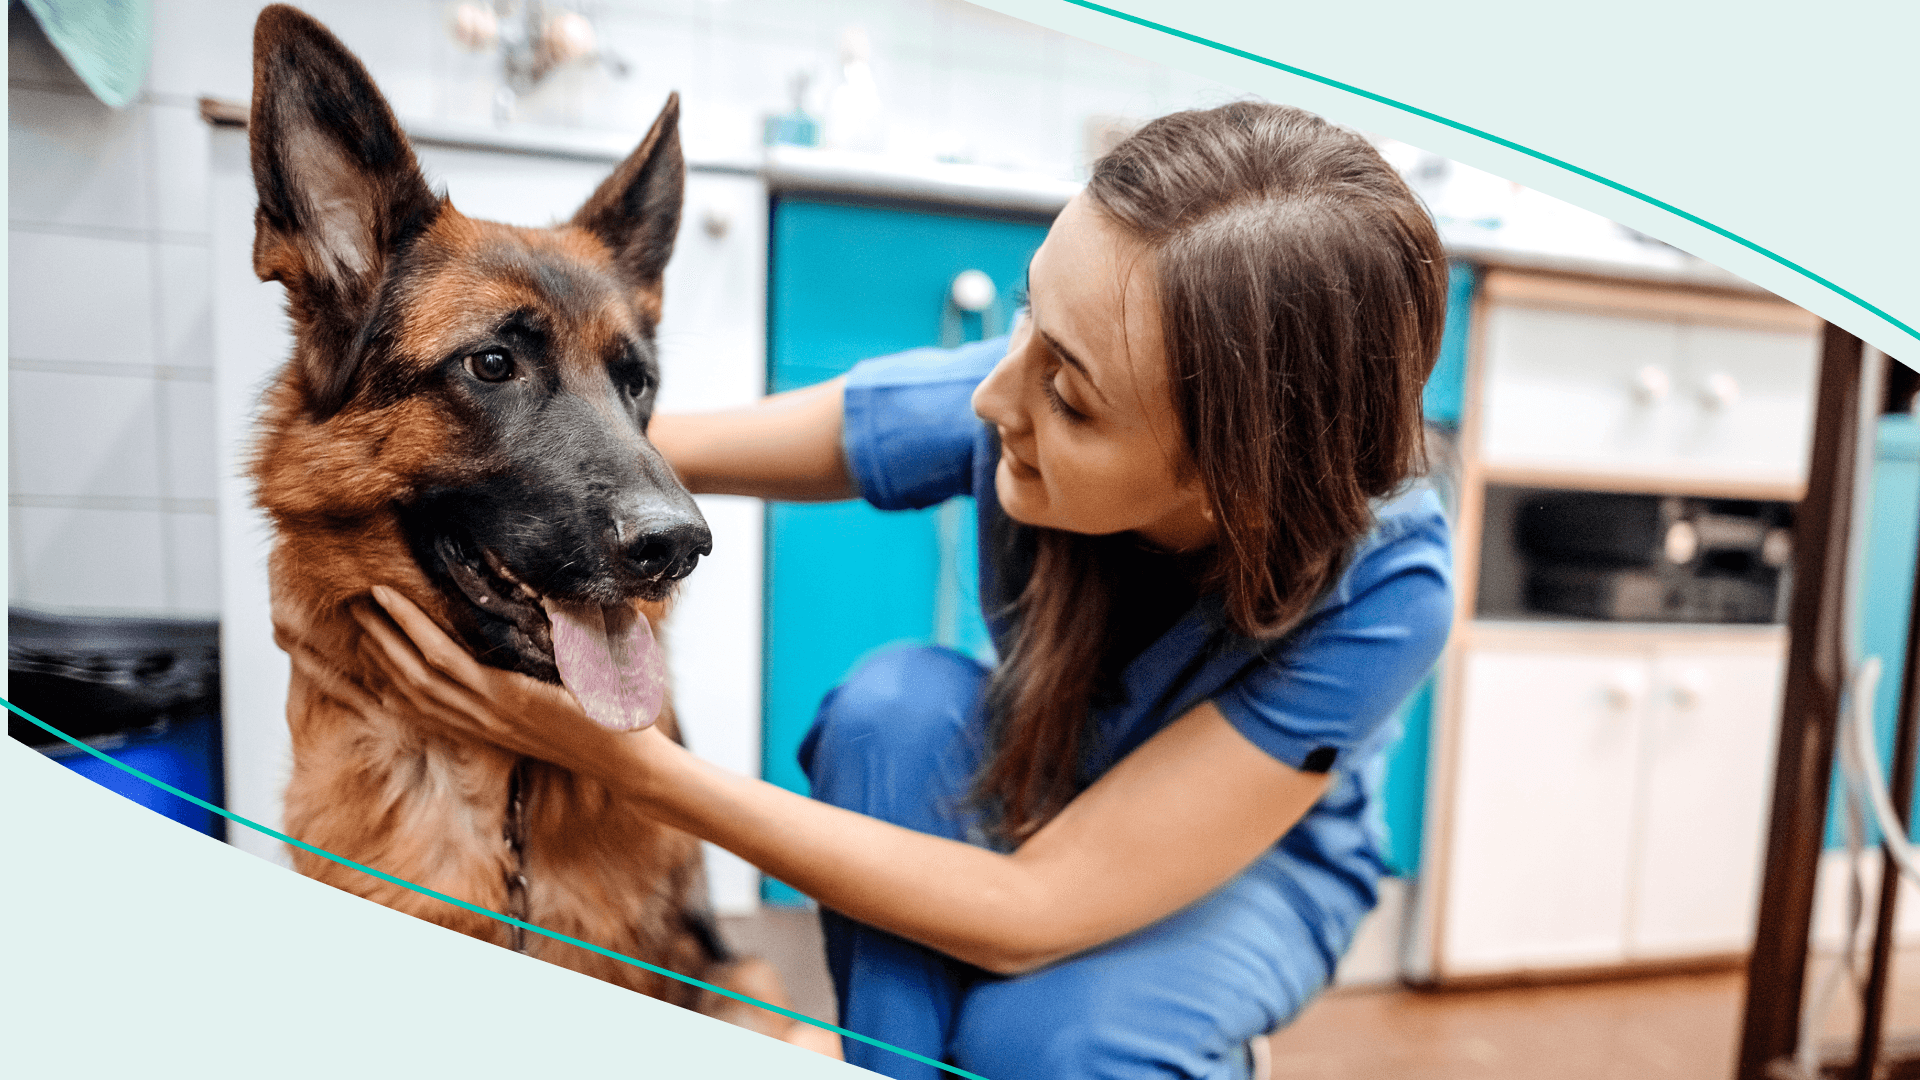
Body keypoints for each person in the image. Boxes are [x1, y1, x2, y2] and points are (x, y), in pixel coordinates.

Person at [313, 101, 1454, 1079]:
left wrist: (628, 762)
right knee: (895, 708)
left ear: (1231, 478)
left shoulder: (1388, 585)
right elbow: (638, 451)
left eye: (1074, 396)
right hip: (1048, 773)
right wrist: (367, 537)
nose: (995, 396)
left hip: (1245, 867)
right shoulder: (1018, 390)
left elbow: (1036, 913)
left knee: (1053, 1042)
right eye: (1027, 317)